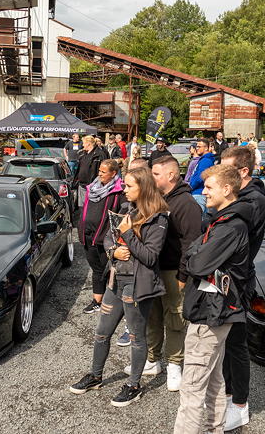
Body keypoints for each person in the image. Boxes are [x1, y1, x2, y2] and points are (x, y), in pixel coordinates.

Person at [70, 167, 169, 407]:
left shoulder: (159, 217)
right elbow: (107, 237)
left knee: (136, 337)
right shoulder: (127, 209)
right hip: (115, 281)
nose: (124, 190)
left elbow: (150, 256)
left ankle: (134, 385)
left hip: (137, 285)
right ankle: (95, 376)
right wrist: (114, 250)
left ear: (143, 188)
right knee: (101, 332)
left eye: (129, 186)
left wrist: (128, 237)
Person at [173, 164, 249, 434]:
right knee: (215, 379)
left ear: (227, 189)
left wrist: (196, 255)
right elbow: (196, 252)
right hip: (214, 311)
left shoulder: (230, 227)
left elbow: (196, 263)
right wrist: (197, 254)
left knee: (192, 386)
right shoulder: (221, 221)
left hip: (212, 313)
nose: (203, 191)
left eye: (209, 187)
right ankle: (213, 428)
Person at [122, 155, 201, 392]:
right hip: (149, 268)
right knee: (152, 316)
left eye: (155, 174)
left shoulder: (186, 204)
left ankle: (175, 365)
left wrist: (183, 276)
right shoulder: (153, 199)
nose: (151, 177)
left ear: (171, 175)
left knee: (174, 318)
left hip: (172, 270)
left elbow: (191, 244)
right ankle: (153, 360)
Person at [219, 146, 265, 431]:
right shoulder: (240, 196)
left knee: (237, 344)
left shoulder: (253, 201)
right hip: (226, 279)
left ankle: (240, 405)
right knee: (227, 343)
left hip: (237, 282)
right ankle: (227, 395)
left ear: (243, 172)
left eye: (227, 171)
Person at [79, 159, 126, 314]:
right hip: (88, 235)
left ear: (113, 173)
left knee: (109, 270)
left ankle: (112, 302)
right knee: (96, 269)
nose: (99, 174)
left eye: (103, 172)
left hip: (105, 239)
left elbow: (122, 216)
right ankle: (97, 301)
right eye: (99, 171)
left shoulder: (119, 191)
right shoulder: (93, 188)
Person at [77, 135, 108, 208]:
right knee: (82, 208)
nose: (83, 145)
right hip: (82, 186)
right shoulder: (83, 154)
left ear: (88, 144)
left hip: (93, 187)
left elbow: (104, 171)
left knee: (91, 207)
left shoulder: (100, 155)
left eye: (84, 143)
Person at [186, 139, 216, 213]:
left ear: (206, 148)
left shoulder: (205, 161)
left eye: (199, 146)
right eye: (196, 146)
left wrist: (190, 187)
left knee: (198, 219)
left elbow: (201, 177)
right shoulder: (203, 160)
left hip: (199, 193)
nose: (197, 148)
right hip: (198, 193)